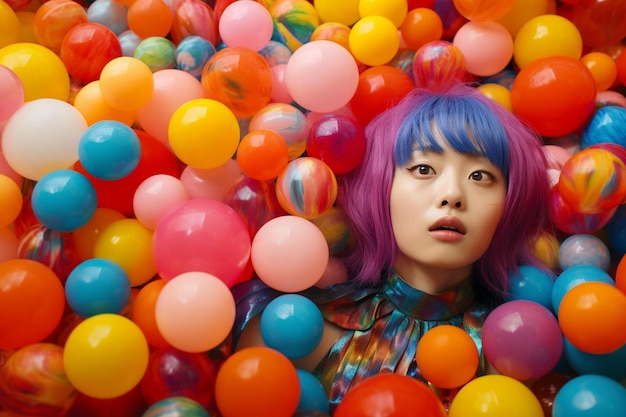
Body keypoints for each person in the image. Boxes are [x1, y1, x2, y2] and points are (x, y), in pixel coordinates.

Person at [217, 81, 553, 413]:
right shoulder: (297, 335)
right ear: (381, 185)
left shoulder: (523, 353)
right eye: (424, 169)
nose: (453, 195)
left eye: (480, 176)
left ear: (510, 202)